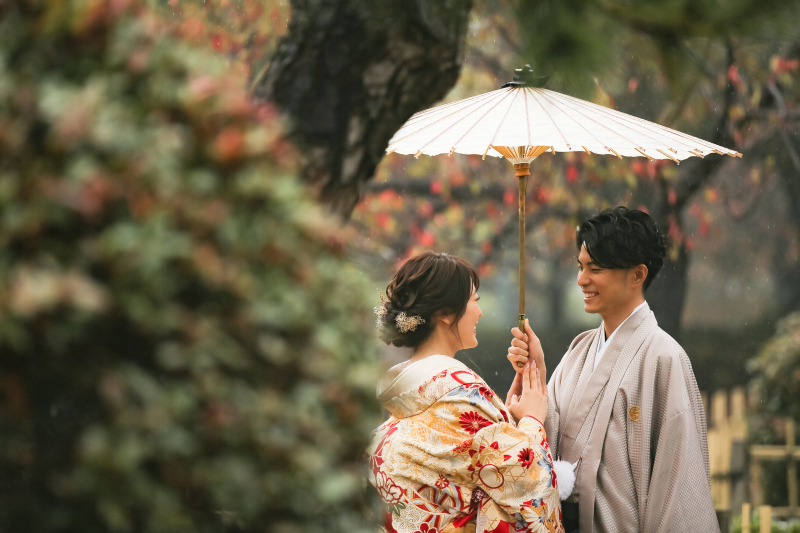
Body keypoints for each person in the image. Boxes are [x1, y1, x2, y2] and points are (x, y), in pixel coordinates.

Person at [507, 207, 718, 533]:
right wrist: (535, 371)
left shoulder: (665, 358)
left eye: (595, 268)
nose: (581, 279)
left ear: (637, 274)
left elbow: (678, 483)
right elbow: (547, 446)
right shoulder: (578, 352)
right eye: (580, 267)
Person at [367, 251, 563, 533]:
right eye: (475, 301)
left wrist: (505, 418)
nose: (480, 311)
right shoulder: (462, 392)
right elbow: (523, 481)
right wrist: (531, 421)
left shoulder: (402, 395)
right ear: (445, 313)